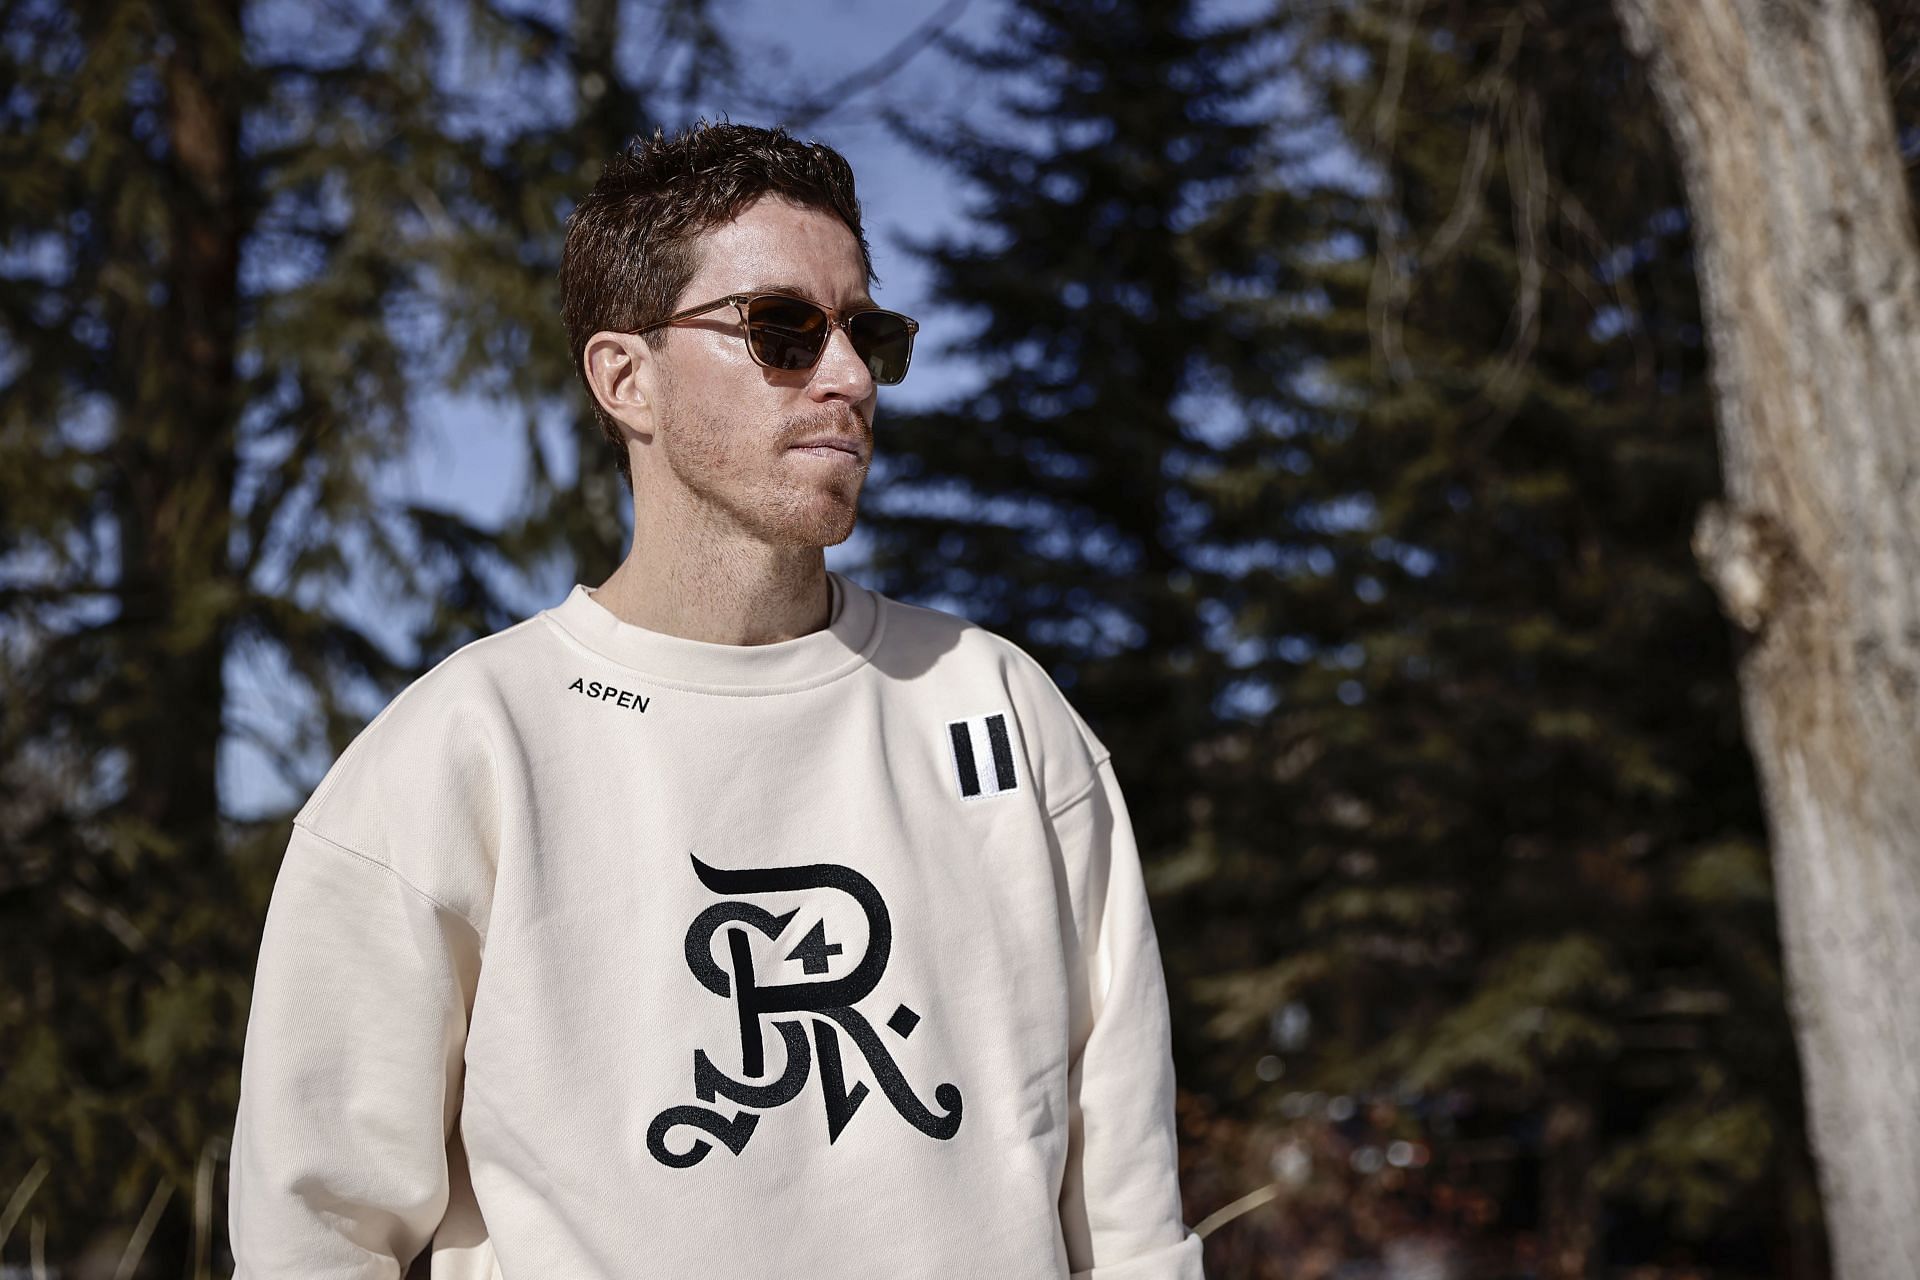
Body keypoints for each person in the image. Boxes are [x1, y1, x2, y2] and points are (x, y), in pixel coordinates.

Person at [228, 119, 1203, 1280]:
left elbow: (1133, 1220)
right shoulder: (461, 753)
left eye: (866, 332)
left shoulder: (1002, 711)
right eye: (782, 330)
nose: (845, 376)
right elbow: (315, 1237)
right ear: (624, 377)